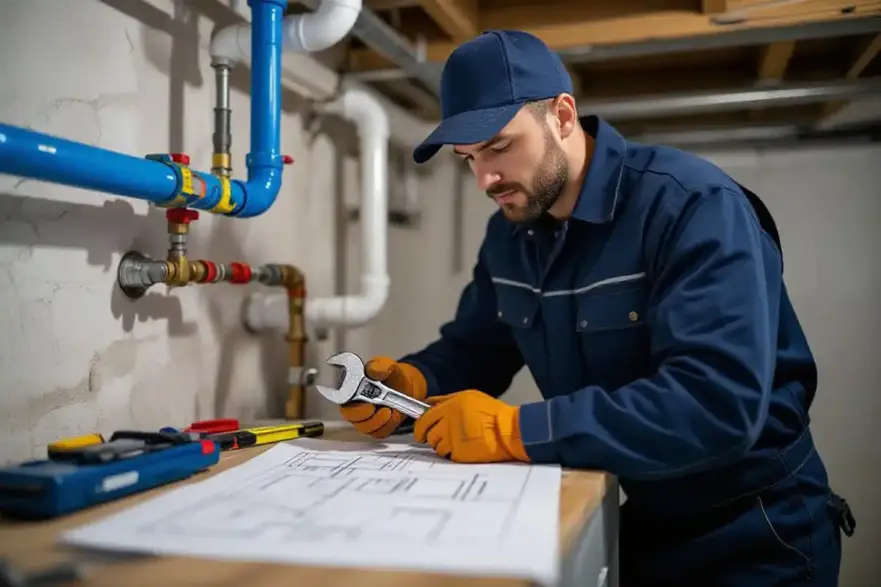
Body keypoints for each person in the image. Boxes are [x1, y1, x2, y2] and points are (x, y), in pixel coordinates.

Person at [338, 29, 856, 586]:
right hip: (641, 517)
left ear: (562, 116)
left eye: (498, 147)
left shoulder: (691, 207)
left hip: (757, 533)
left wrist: (517, 430)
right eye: (467, 158)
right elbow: (478, 344)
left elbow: (716, 404)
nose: (484, 179)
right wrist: (412, 383)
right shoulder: (510, 236)